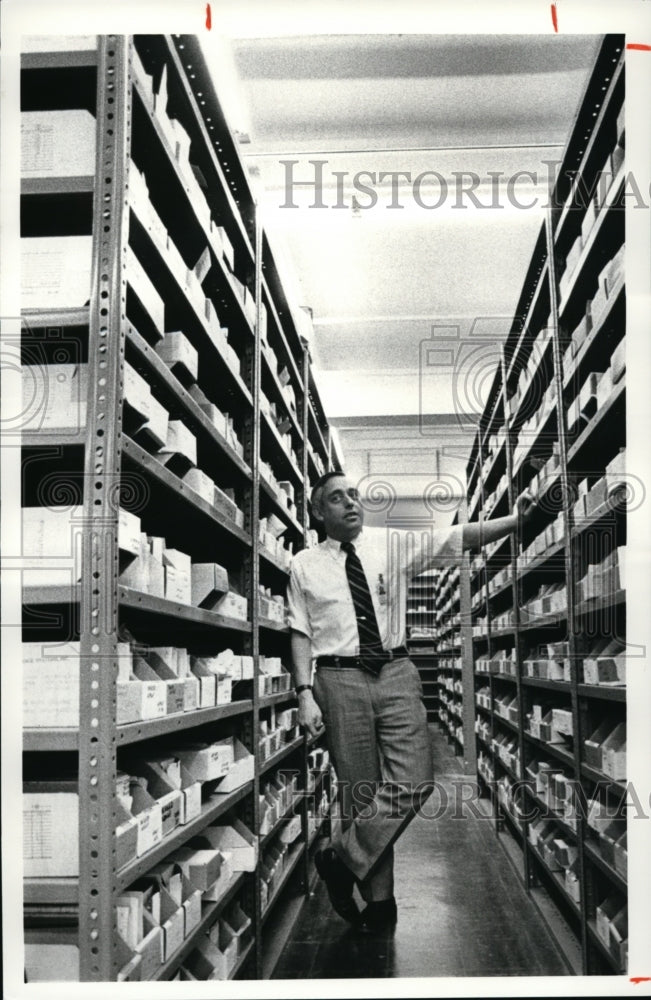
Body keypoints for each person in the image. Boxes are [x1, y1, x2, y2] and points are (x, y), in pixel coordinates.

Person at [286, 470, 536, 934]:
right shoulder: (303, 564)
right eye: (337, 498)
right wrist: (304, 693)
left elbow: (458, 536)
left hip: (396, 672)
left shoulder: (390, 544)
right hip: (337, 679)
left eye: (354, 495)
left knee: (415, 782)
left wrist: (516, 522)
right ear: (319, 511)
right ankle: (381, 905)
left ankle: (339, 861)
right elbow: (299, 632)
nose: (351, 503)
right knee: (360, 793)